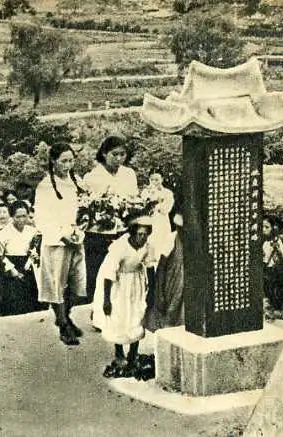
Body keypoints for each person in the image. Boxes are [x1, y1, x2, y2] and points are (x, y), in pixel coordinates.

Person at [34, 141, 86, 346]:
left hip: (76, 238)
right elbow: (41, 218)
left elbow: (84, 208)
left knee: (77, 284)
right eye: (64, 161)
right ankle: (64, 324)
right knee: (57, 284)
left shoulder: (77, 181)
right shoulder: (45, 186)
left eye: (71, 160)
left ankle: (65, 315)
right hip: (56, 241)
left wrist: (80, 229)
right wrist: (62, 236)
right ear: (53, 162)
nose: (68, 165)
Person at [82, 134, 139, 303]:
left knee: (122, 272)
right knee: (98, 272)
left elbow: (134, 200)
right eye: (115, 154)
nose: (119, 158)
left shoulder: (129, 174)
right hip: (98, 233)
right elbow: (86, 205)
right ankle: (96, 308)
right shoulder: (92, 176)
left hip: (123, 230)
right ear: (104, 154)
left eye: (122, 154)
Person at [98, 216, 157, 378]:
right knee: (119, 317)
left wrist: (152, 291)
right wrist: (106, 299)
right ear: (132, 233)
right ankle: (119, 353)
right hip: (119, 284)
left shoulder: (147, 247)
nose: (143, 238)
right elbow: (108, 273)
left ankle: (133, 353)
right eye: (140, 234)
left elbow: (150, 268)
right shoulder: (120, 246)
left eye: (145, 234)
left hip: (136, 282)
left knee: (137, 315)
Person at [0, 200, 44, 315]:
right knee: (13, 306)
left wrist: (35, 257)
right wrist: (12, 270)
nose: (21, 220)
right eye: (18, 217)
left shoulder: (33, 232)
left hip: (28, 268)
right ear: (12, 216)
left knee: (32, 304)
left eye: (24, 216)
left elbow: (37, 250)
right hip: (11, 270)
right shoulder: (2, 233)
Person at [145, 212, 184, 331]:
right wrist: (159, 292)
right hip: (171, 283)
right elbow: (161, 267)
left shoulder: (193, 240)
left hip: (185, 285)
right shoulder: (171, 239)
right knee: (168, 314)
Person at [141, 170, 174, 258]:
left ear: (162, 179)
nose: (154, 182)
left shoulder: (168, 193)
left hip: (162, 223)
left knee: (162, 250)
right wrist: (151, 196)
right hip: (148, 223)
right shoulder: (145, 192)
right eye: (152, 180)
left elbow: (166, 210)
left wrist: (155, 203)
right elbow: (143, 207)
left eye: (157, 180)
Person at [262, 216, 283, 310]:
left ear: (273, 228)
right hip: (267, 270)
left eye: (267, 227)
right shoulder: (264, 243)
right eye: (262, 227)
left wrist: (277, 249)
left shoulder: (278, 241)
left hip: (275, 271)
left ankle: (277, 304)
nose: (263, 229)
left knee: (274, 289)